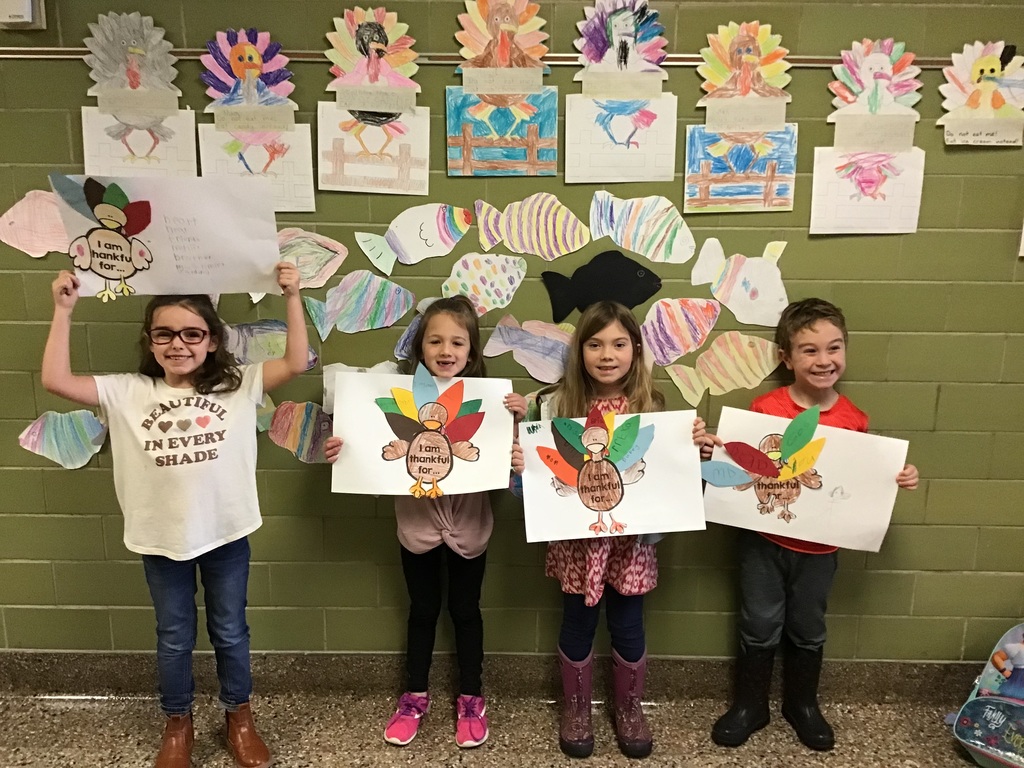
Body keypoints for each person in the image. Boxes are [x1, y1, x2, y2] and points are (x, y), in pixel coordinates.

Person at [41, 264, 308, 768]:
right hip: (161, 539)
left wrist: (292, 295)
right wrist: (63, 310)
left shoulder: (238, 385)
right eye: (164, 333)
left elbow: (296, 360)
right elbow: (55, 379)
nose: (178, 344)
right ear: (150, 340)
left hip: (226, 535)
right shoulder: (126, 391)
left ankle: (239, 717)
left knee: (231, 631)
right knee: (174, 637)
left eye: (192, 333)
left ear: (212, 341)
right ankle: (178, 723)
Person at [711, 298, 919, 752]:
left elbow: (859, 481)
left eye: (834, 347)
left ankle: (802, 704)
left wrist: (898, 477)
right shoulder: (765, 409)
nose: (824, 360)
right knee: (759, 621)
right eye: (809, 350)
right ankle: (750, 705)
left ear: (845, 350)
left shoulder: (855, 420)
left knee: (808, 625)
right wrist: (717, 453)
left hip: (820, 549)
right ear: (786, 358)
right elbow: (747, 468)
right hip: (764, 541)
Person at [324, 295, 526, 749]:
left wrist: (515, 428)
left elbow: (504, 464)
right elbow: (373, 448)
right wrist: (343, 451)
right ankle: (414, 696)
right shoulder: (396, 400)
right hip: (417, 531)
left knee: (466, 611)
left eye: (457, 342)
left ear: (471, 352)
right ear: (420, 349)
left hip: (469, 531)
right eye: (434, 341)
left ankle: (471, 697)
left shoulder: (491, 403)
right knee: (422, 610)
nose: (445, 350)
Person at [524, 300, 710, 759]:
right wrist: (519, 469)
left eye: (619, 344)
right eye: (595, 344)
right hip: (576, 544)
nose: (607, 354)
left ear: (636, 350)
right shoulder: (556, 407)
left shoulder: (652, 408)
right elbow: (535, 485)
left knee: (628, 625)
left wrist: (695, 455)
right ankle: (577, 708)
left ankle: (629, 707)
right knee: (577, 624)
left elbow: (669, 481)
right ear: (580, 351)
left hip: (632, 545)